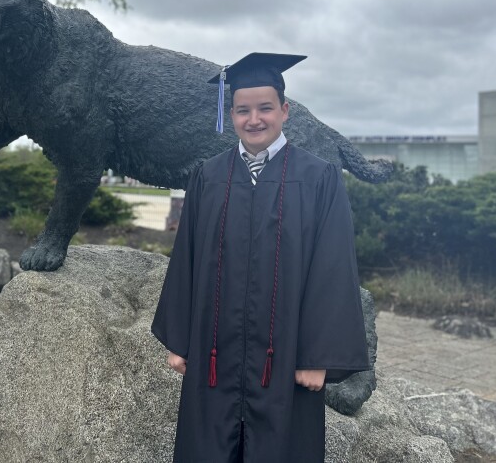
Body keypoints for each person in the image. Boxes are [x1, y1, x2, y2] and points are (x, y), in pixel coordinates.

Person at [151, 52, 369, 463]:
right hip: (215, 356)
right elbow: (186, 258)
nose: (255, 119)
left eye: (265, 108)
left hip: (285, 360)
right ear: (230, 115)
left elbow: (333, 269)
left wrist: (317, 357)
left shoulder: (318, 177)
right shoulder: (207, 175)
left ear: (284, 111)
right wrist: (180, 340)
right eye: (243, 110)